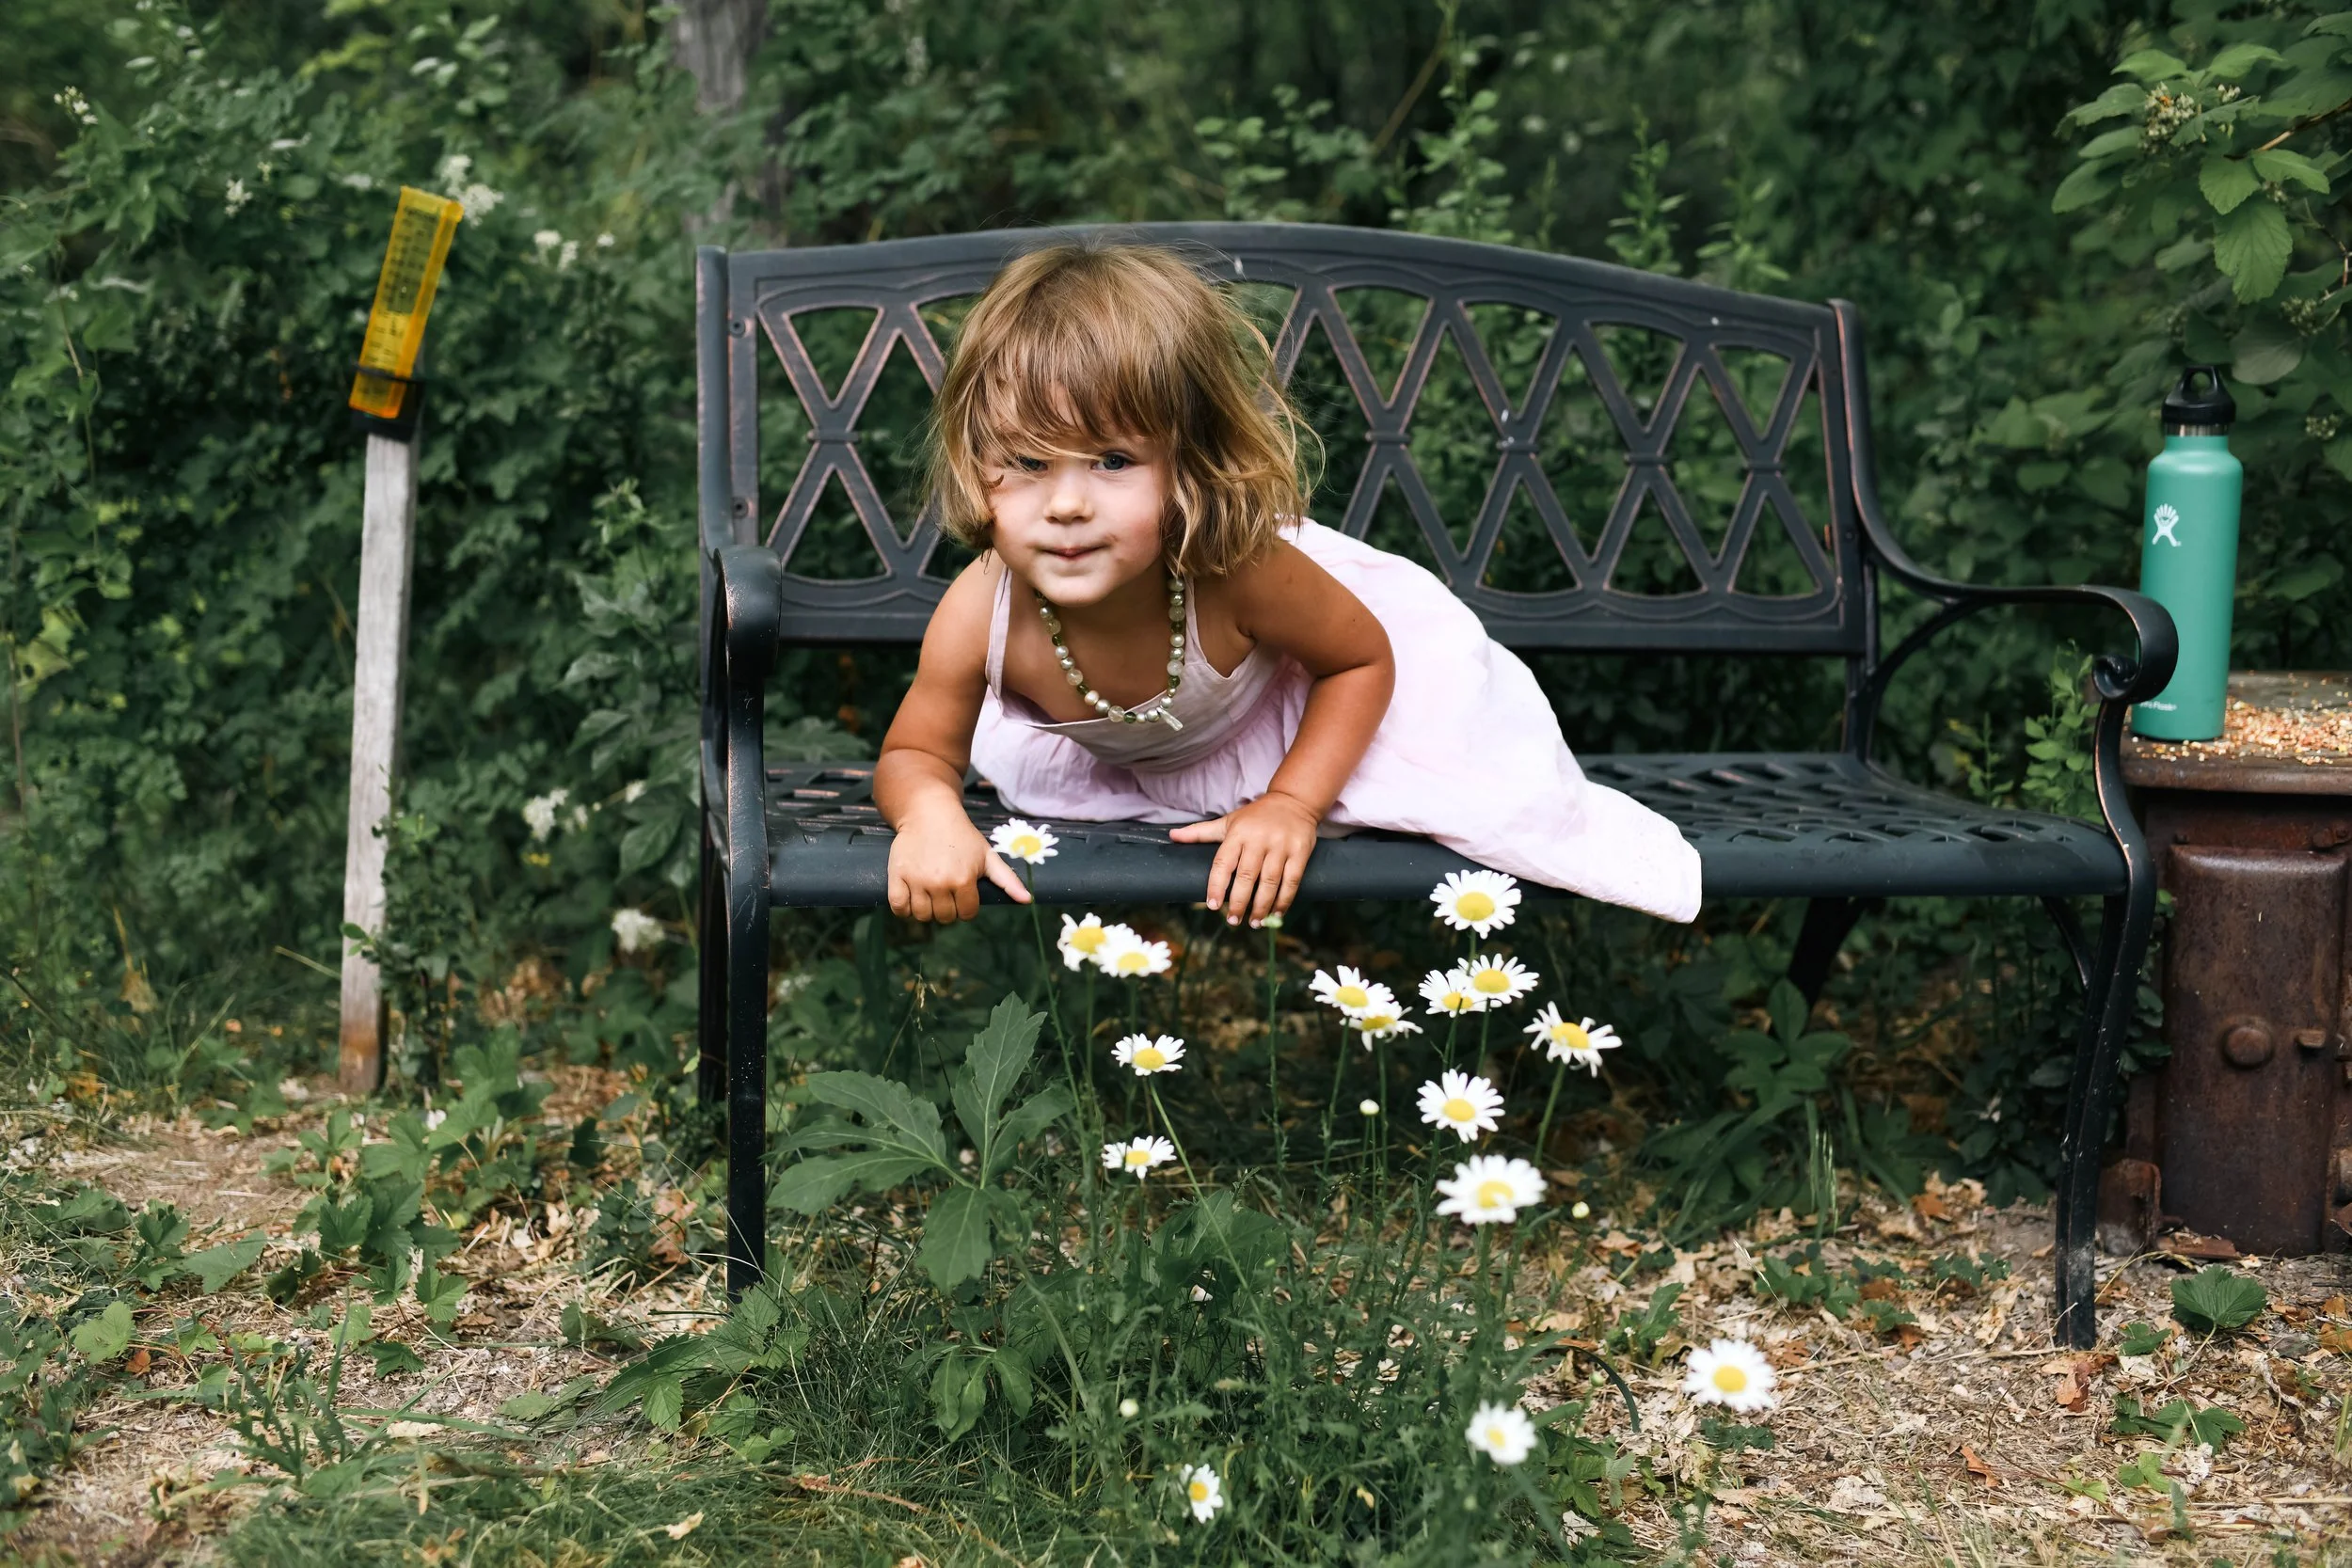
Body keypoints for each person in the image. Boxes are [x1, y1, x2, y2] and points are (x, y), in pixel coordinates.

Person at [873, 240, 1701, 928]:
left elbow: (1362, 661)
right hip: (1146, 749)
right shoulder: (983, 611)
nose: (1065, 504)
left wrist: (1292, 804)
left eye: (1113, 461)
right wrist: (929, 813)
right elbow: (914, 751)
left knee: (1488, 800)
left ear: (1188, 464)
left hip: (1308, 706)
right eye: (1026, 462)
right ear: (976, 466)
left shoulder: (1235, 569)